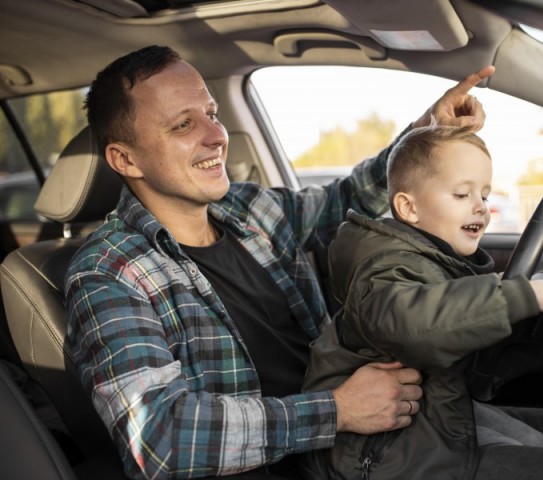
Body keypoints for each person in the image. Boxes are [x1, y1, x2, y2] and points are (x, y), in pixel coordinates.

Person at [64, 44, 494, 479]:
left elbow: (342, 200)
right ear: (125, 159)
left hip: (366, 440)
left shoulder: (248, 208)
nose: (216, 135)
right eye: (182, 125)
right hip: (300, 461)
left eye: (212, 114)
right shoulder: (108, 274)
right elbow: (160, 438)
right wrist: (339, 409)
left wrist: (425, 132)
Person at [300, 125, 543, 479]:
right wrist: (523, 295)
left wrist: (524, 305)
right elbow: (416, 322)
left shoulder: (434, 260)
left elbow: (457, 316)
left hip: (429, 409)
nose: (481, 208)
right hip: (373, 454)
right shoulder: (382, 269)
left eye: (485, 196)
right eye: (461, 195)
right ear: (409, 208)